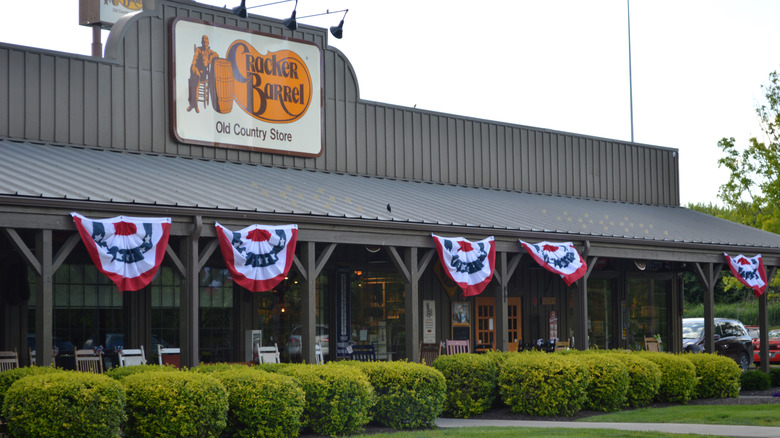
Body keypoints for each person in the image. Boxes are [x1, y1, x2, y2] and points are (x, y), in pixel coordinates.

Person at [187, 35, 219, 113]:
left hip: (204, 74)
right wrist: (195, 69)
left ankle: (193, 104)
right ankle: (194, 104)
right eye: (203, 42)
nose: (205, 43)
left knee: (193, 80)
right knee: (194, 79)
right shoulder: (198, 50)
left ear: (208, 43)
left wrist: (210, 58)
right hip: (197, 72)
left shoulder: (209, 52)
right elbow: (194, 61)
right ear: (201, 42)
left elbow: (216, 55)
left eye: (206, 42)